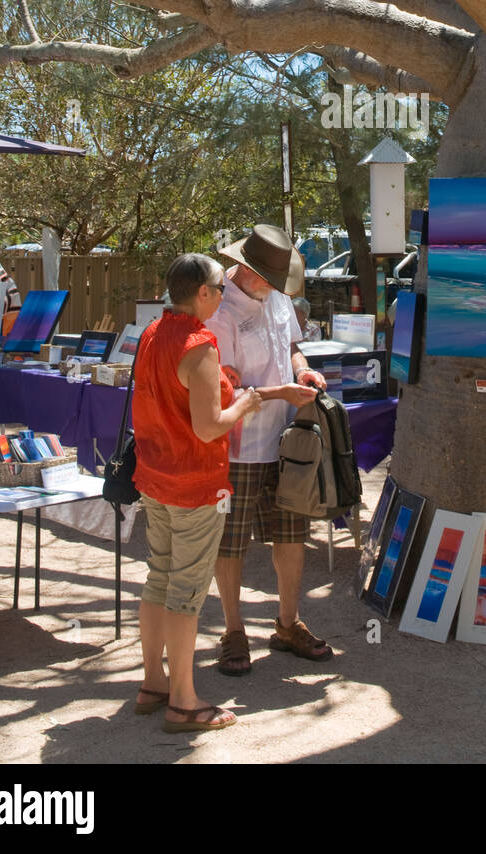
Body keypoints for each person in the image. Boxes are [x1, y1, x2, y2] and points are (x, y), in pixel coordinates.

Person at [132, 252, 262, 733]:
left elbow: (171, 395)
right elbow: (210, 429)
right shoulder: (199, 342)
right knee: (186, 592)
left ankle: (154, 682)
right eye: (220, 290)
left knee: (159, 578)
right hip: (194, 486)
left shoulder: (151, 333)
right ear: (203, 292)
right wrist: (244, 404)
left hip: (155, 479)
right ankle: (184, 701)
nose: (224, 298)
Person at [207, 223, 333, 675]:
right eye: (268, 278)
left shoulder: (276, 297)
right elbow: (224, 388)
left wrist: (303, 371)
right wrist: (282, 392)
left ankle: (287, 623)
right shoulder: (218, 313)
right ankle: (233, 631)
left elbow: (293, 346)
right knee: (231, 542)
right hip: (239, 446)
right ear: (244, 269)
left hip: (286, 442)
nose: (275, 288)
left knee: (292, 534)